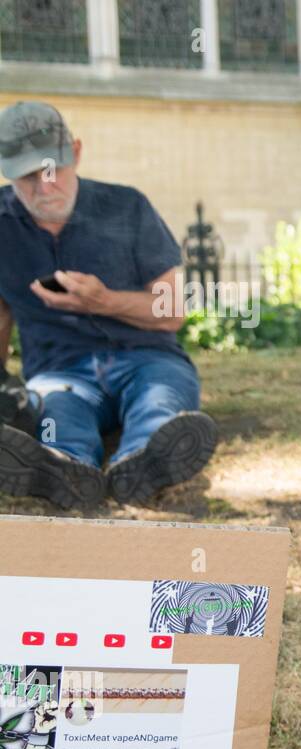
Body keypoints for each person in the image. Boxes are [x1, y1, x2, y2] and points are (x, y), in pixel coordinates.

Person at [0, 101, 217, 509]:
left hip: (148, 360)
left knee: (161, 400)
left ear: (76, 153)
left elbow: (173, 311)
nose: (45, 187)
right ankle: (64, 467)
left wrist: (102, 301)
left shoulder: (128, 206)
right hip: (58, 371)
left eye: (53, 170)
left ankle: (141, 461)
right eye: (29, 177)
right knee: (57, 412)